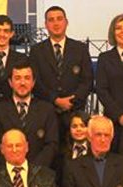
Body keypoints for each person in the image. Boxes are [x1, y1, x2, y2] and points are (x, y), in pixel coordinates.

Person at [29, 6, 93, 135]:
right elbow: (36, 82)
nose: (56, 23)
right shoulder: (36, 51)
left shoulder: (80, 49)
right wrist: (56, 100)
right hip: (46, 112)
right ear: (46, 24)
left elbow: (87, 80)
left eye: (59, 19)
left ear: (66, 22)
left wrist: (71, 101)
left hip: (75, 112)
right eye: (51, 20)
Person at [0, 60, 59, 169]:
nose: (22, 83)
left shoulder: (47, 109)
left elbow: (51, 145)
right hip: (7, 176)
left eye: (27, 78)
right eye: (17, 78)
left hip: (39, 174)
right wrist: (12, 169)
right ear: (10, 82)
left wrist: (31, 170)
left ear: (33, 82)